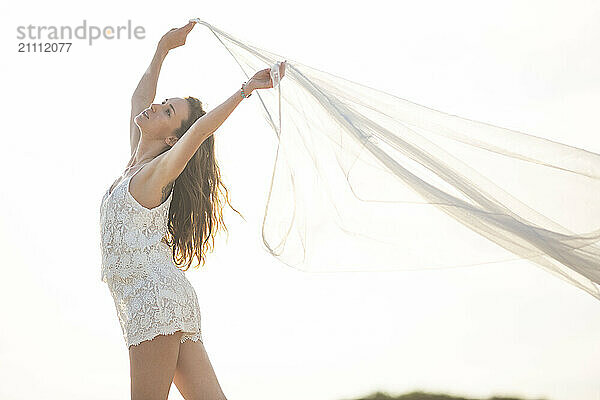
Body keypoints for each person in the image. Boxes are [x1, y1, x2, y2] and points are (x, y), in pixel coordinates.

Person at [99, 20, 286, 400]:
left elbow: (198, 131)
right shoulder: (134, 165)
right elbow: (139, 99)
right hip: (162, 298)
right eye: (163, 103)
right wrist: (162, 49)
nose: (155, 106)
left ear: (171, 138)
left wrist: (245, 90)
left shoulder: (157, 173)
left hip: (154, 302)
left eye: (166, 111)